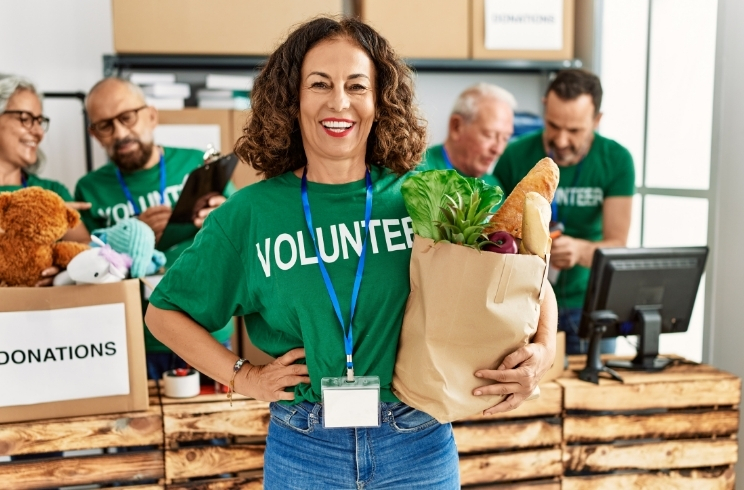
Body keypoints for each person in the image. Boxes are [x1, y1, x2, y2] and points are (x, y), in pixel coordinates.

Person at [145, 17, 557, 489]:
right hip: (305, 447)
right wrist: (244, 377)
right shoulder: (251, 214)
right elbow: (164, 313)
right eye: (319, 84)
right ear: (292, 98)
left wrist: (541, 352)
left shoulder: (427, 197)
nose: (339, 101)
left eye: (356, 86)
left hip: (417, 439)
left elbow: (529, 280)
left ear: (379, 102)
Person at [75, 77, 234, 380]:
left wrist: (219, 218)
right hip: (131, 337)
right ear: (94, 135)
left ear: (151, 115)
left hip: (205, 330)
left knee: (212, 427)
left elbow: (242, 238)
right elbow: (84, 267)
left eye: (127, 117)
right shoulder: (89, 189)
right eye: (106, 125)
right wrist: (132, 234)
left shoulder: (198, 165)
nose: (120, 132)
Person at [494, 69, 634, 355]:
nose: (560, 140)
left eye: (574, 131)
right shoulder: (514, 156)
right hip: (525, 302)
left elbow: (618, 246)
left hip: (589, 306)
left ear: (597, 121)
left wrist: (580, 251)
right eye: (553, 125)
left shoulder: (617, 160)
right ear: (545, 106)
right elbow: (496, 235)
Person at [0, 74, 90, 287]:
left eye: (40, 121)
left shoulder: (51, 193)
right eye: (26, 118)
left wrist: (64, 270)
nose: (39, 132)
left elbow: (87, 248)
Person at [418, 83, 515, 190]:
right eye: (489, 135)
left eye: (505, 138)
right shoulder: (417, 173)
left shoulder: (494, 188)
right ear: (457, 126)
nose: (498, 150)